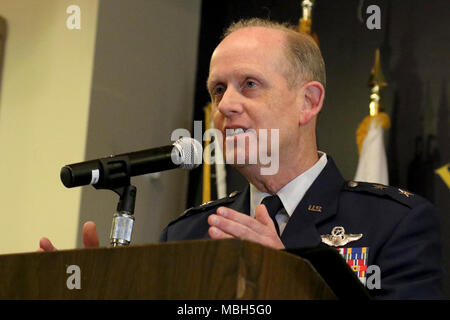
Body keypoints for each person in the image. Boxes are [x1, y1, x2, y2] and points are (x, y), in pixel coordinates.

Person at [39, 18, 443, 299]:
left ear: (309, 101)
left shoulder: (396, 223)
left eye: (249, 85)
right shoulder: (187, 234)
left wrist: (287, 280)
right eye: (218, 89)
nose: (225, 105)